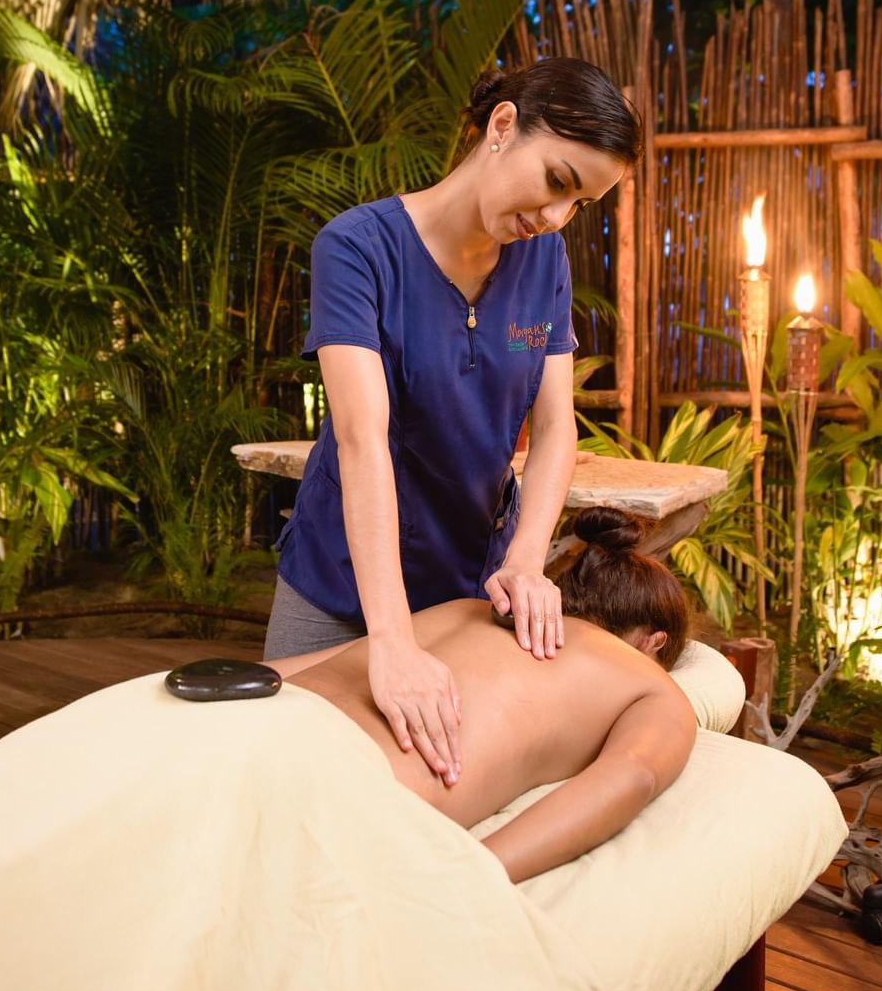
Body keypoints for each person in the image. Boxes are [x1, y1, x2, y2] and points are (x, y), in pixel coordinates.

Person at [268, 57, 641, 793]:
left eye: (582, 202)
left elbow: (557, 430)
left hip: (466, 589)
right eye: (559, 181)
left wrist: (527, 560)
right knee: (287, 779)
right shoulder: (357, 249)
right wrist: (391, 639)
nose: (558, 215)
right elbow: (361, 438)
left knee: (421, 797)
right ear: (503, 126)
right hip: (342, 584)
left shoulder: (545, 260)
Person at [270, 508, 696, 883]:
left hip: (248, 733)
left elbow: (293, 670)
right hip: (330, 800)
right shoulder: (652, 685)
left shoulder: (465, 609)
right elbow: (632, 776)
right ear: (654, 642)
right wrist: (473, 873)